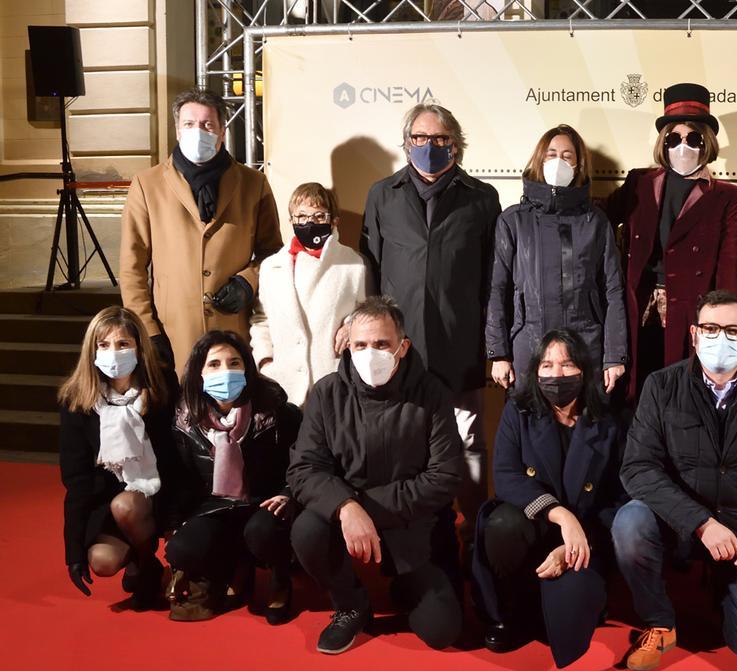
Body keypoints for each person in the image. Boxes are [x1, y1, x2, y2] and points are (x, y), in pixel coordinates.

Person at [613, 290, 737, 671]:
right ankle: (659, 621)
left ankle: (723, 587)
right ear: (694, 334)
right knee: (629, 523)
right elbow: (637, 468)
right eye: (711, 328)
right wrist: (701, 524)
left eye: (733, 330)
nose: (721, 338)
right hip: (679, 528)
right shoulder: (661, 387)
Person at [289, 296, 464, 655]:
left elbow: (445, 475)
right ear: (347, 346)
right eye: (361, 344)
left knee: (442, 630)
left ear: (402, 347)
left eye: (382, 344)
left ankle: (404, 584)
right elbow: (304, 468)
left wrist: (365, 508)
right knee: (306, 529)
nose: (371, 353)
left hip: (413, 525)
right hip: (346, 518)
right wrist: (346, 508)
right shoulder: (326, 394)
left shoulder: (432, 393)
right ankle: (351, 602)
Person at [360, 103, 500, 544]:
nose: (428, 146)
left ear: (455, 144)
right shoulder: (382, 194)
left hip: (461, 345)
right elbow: (371, 269)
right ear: (406, 144)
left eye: (439, 139)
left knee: (469, 445)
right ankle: (418, 537)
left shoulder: (482, 198)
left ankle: (476, 530)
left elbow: (494, 278)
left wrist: (492, 346)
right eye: (419, 138)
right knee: (406, 451)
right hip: (401, 353)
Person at [474, 328, 626, 667]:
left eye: (567, 364)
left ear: (584, 371)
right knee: (502, 524)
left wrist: (576, 538)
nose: (557, 374)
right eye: (547, 366)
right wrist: (560, 515)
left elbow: (619, 495)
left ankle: (576, 598)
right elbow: (507, 476)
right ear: (535, 372)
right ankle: (510, 612)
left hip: (585, 536)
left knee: (567, 621)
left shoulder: (608, 421)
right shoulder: (519, 410)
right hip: (533, 523)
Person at [119, 88, 282, 375]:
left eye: (208, 125)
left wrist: (247, 281)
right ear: (178, 131)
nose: (199, 131)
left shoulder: (253, 183)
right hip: (172, 333)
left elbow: (273, 254)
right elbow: (132, 267)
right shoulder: (147, 185)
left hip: (233, 331)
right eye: (190, 124)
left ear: (222, 131)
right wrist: (147, 329)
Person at [601, 82, 737, 399]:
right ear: (663, 142)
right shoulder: (640, 181)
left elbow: (729, 268)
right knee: (634, 396)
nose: (683, 145)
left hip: (689, 311)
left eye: (693, 138)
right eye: (674, 138)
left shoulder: (727, 197)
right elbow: (601, 218)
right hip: (636, 307)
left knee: (678, 395)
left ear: (706, 142)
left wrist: (726, 329)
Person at [165, 330, 301, 623]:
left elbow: (302, 464)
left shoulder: (278, 412)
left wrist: (288, 493)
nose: (225, 372)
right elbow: (182, 479)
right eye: (214, 364)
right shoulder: (184, 419)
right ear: (199, 372)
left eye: (234, 363)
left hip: (266, 502)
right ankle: (236, 566)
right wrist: (177, 524)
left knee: (261, 532)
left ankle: (279, 578)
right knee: (182, 549)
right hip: (216, 507)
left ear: (247, 368)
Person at [486, 124, 627, 394]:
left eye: (567, 156)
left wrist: (614, 355)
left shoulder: (595, 221)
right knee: (529, 426)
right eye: (551, 155)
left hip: (585, 344)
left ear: (578, 164)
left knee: (586, 427)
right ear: (539, 160)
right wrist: (499, 353)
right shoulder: (513, 220)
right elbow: (496, 290)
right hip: (528, 346)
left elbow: (613, 290)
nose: (558, 162)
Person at [57, 306, 177, 608]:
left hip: (159, 490)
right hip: (107, 498)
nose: (114, 352)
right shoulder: (77, 400)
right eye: (104, 345)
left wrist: (178, 520)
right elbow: (77, 479)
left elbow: (178, 456)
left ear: (138, 346)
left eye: (123, 344)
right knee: (102, 561)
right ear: (92, 351)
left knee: (125, 505)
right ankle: (146, 563)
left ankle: (147, 561)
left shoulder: (161, 385)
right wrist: (73, 552)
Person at [250, 182, 368, 406]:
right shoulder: (271, 267)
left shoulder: (353, 263)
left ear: (334, 220)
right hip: (282, 383)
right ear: (291, 221)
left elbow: (366, 313)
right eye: (301, 216)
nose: (309, 222)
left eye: (319, 216)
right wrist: (264, 360)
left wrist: (352, 325)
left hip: (332, 382)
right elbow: (261, 319)